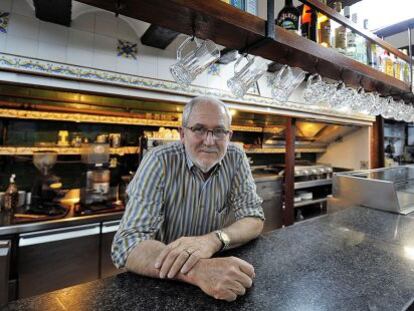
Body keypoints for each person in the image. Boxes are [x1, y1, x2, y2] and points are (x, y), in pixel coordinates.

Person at [112, 95, 264, 301]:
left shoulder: (236, 157)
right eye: (199, 129)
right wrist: (198, 270)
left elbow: (254, 218)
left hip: (220, 272)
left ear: (229, 135)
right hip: (163, 282)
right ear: (182, 134)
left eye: (219, 131)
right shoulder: (159, 161)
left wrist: (214, 240)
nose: (209, 141)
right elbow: (127, 243)